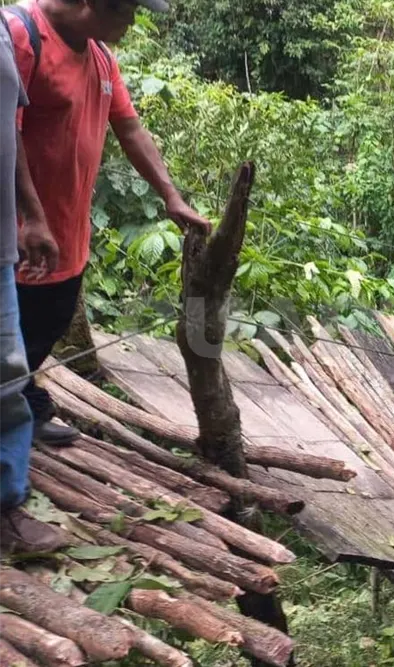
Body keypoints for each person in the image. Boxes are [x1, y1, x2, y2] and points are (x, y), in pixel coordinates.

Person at [6, 0, 211, 446]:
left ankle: (18, 404)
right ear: (90, 6)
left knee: (48, 322)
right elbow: (7, 131)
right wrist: (32, 219)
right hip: (21, 234)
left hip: (67, 231)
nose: (133, 23)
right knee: (16, 330)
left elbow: (130, 129)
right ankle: (15, 415)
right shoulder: (22, 37)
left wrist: (172, 197)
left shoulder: (100, 57)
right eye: (127, 12)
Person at [0, 6, 67, 552]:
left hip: (0, 247)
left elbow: (10, 135)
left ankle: (6, 504)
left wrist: (31, 217)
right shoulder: (22, 32)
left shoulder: (4, 36)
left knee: (6, 374)